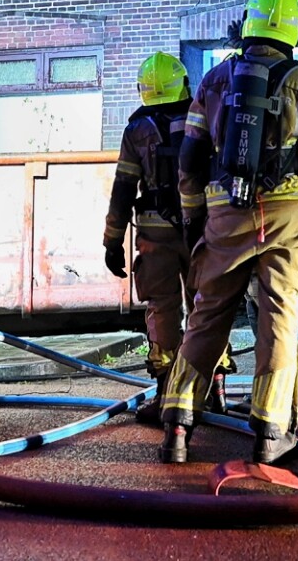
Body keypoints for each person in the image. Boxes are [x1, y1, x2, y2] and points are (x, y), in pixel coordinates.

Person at [159, 0, 298, 465]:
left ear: (248, 24)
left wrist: (193, 215)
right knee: (279, 320)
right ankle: (269, 432)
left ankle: (177, 425)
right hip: (286, 217)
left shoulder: (214, 81)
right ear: (293, 31)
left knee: (207, 315)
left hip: (225, 213)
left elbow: (192, 156)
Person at [103, 52, 195, 420]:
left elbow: (123, 188)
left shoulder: (136, 130)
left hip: (155, 233)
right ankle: (214, 389)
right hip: (200, 228)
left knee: (162, 309)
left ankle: (168, 396)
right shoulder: (201, 119)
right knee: (207, 307)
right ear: (182, 83)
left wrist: (112, 239)